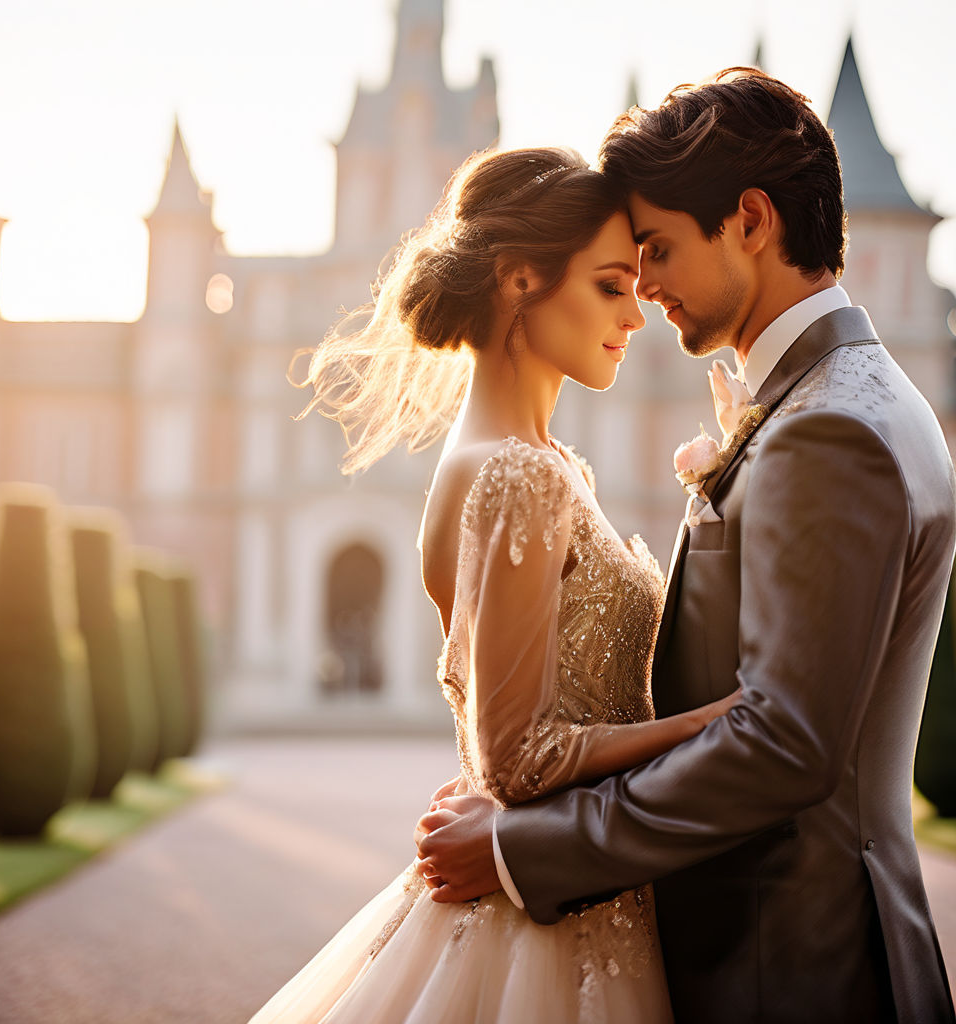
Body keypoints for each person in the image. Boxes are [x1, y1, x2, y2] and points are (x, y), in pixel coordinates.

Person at [415, 69, 956, 1024]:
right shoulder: (835, 400)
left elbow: (784, 741)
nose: (646, 289)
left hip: (792, 968)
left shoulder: (828, 428)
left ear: (751, 220)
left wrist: (517, 849)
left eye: (657, 249)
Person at [246, 145, 740, 1024]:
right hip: (550, 932)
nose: (637, 315)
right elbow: (518, 760)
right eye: (608, 286)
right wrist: (706, 726)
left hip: (571, 888)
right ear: (520, 280)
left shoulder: (531, 466)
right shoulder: (521, 476)